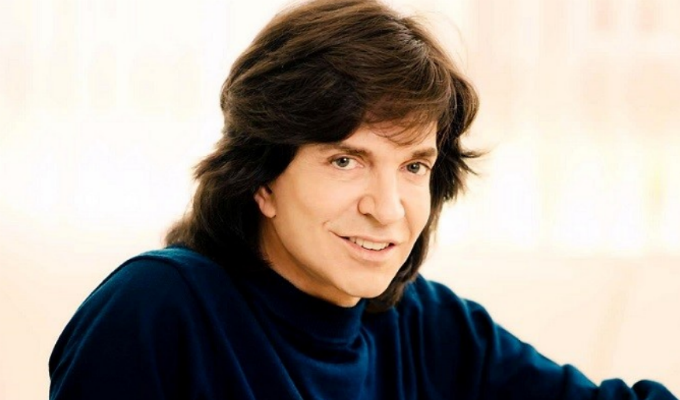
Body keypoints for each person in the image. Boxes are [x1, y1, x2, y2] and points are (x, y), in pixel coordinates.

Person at [48, 0, 677, 399]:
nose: (388, 207)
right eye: (346, 161)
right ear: (262, 179)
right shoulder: (157, 309)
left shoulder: (427, 324)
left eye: (413, 166)